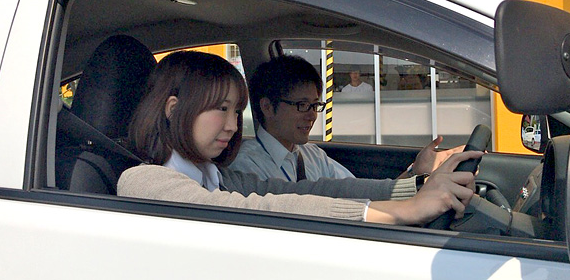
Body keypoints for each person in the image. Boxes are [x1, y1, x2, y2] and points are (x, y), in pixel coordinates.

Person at [117, 50, 483, 225]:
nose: (232, 125)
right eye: (220, 109)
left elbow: (307, 192)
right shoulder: (144, 181)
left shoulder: (217, 175)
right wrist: (402, 212)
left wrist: (412, 188)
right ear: (173, 108)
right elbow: (251, 210)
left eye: (235, 110)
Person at [229, 55, 464, 181]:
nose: (312, 115)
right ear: (268, 107)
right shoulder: (245, 167)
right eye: (302, 105)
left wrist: (415, 172)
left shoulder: (313, 156)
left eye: (315, 105)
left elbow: (361, 194)